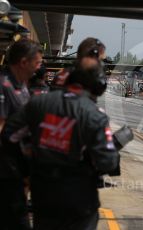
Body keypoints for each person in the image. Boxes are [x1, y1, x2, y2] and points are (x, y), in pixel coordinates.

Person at [1, 57, 120, 230]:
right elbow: (108, 162)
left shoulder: (38, 103)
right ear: (97, 86)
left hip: (43, 193)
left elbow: (9, 136)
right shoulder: (96, 115)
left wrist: (28, 162)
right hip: (79, 198)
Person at [0, 38, 42, 230]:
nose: (39, 67)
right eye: (37, 62)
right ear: (24, 62)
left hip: (18, 169)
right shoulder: (4, 85)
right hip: (6, 170)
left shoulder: (22, 85)